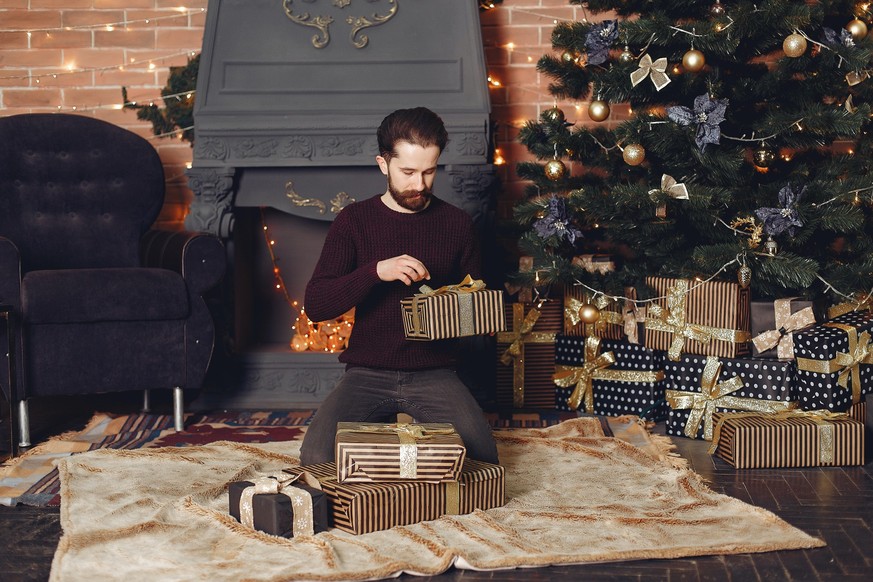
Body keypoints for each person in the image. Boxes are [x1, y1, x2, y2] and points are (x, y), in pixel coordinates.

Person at [299, 107, 499, 465]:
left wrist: (455, 307)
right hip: (367, 371)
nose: (419, 185)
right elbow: (316, 304)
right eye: (408, 172)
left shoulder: (458, 224)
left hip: (435, 371)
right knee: (316, 457)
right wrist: (375, 272)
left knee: (482, 460)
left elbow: (474, 320)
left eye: (429, 171)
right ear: (383, 164)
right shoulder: (354, 222)